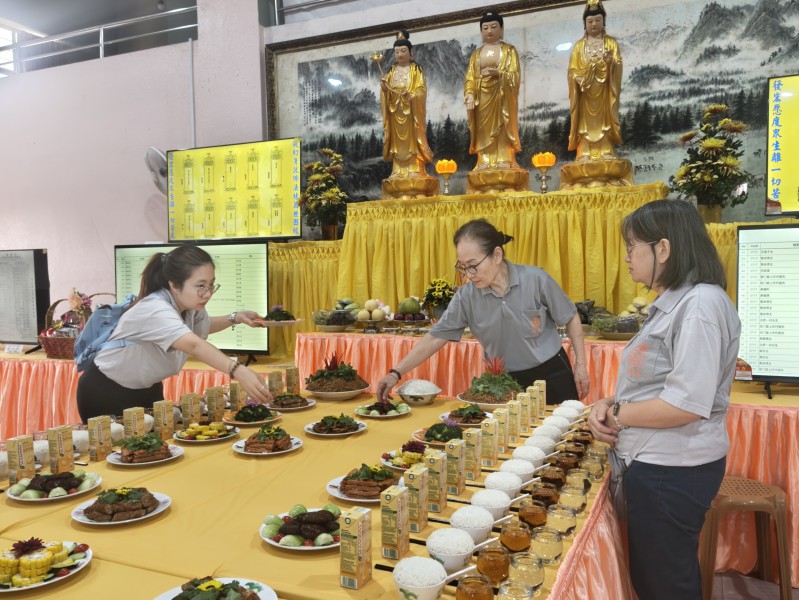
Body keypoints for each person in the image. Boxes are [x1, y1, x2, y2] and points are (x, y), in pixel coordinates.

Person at [588, 200, 741, 600]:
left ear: (663, 249)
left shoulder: (700, 306)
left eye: (632, 247)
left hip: (671, 470)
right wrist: (608, 402)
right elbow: (654, 382)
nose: (626, 258)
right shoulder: (675, 303)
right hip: (656, 464)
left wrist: (617, 415)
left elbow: (685, 404)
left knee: (665, 584)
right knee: (657, 575)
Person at [377, 219, 589, 404]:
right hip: (505, 383)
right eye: (462, 267)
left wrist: (580, 364)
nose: (469, 274)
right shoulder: (466, 297)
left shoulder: (535, 279)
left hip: (552, 374)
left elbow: (570, 317)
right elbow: (435, 338)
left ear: (497, 255)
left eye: (473, 265)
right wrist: (395, 373)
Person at [76, 245, 272, 422]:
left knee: (159, 452)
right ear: (174, 285)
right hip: (106, 392)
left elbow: (200, 330)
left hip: (147, 389)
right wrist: (236, 369)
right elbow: (193, 344)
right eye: (200, 286)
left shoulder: (190, 305)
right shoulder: (155, 308)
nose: (208, 293)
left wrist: (235, 317)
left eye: (211, 284)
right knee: (122, 456)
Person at [464, 12, 522, 170]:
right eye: (485, 27)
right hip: (481, 98)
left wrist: (499, 74)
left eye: (494, 26)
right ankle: (485, 159)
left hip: (502, 96)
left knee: (502, 126)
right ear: (481, 32)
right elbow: (470, 77)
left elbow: (515, 75)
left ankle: (504, 157)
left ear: (502, 30)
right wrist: (469, 94)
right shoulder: (476, 55)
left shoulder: (509, 51)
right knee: (483, 129)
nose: (489, 30)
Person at [567, 0, 623, 161]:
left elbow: (618, 65)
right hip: (584, 93)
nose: (594, 24)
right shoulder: (578, 46)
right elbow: (572, 70)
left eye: (598, 20)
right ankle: (584, 151)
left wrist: (610, 63)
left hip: (604, 92)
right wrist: (577, 77)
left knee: (605, 122)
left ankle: (606, 149)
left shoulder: (610, 43)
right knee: (584, 124)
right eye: (590, 21)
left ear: (604, 21)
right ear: (584, 24)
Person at [380, 31, 434, 178]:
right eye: (396, 52)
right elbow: (387, 92)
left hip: (411, 112)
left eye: (403, 51)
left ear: (411, 52)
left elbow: (421, 89)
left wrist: (412, 96)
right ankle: (398, 170)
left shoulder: (416, 69)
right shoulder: (391, 71)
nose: (399, 54)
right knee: (397, 144)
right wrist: (385, 89)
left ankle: (415, 168)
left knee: (412, 141)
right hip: (395, 110)